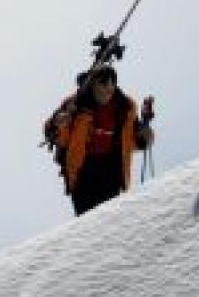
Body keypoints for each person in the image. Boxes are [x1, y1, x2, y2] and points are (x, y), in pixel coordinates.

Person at [43, 65, 155, 216]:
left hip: (112, 171)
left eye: (112, 83)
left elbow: (132, 140)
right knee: (89, 222)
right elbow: (56, 135)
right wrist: (58, 122)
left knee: (110, 219)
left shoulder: (125, 107)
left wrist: (146, 137)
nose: (108, 88)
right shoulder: (76, 104)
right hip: (83, 173)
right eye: (103, 83)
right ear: (93, 84)